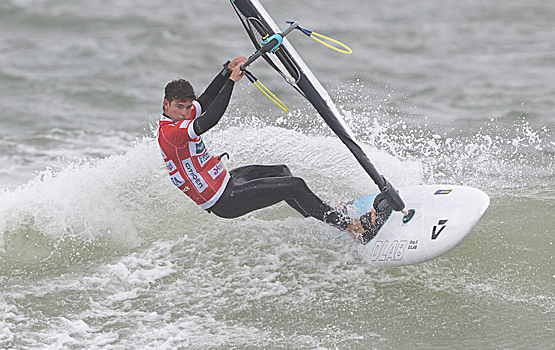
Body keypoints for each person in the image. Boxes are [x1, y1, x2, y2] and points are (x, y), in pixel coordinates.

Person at [158, 57, 388, 242]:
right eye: (180, 107)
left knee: (282, 171)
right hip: (223, 199)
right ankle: (352, 227)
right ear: (166, 105)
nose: (186, 112)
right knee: (294, 186)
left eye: (189, 107)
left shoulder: (182, 115)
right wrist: (231, 82)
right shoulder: (170, 133)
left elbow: (207, 99)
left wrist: (225, 72)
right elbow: (211, 119)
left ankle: (325, 219)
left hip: (225, 180)